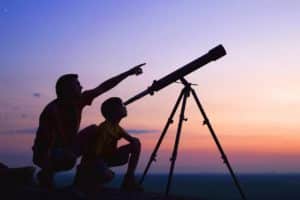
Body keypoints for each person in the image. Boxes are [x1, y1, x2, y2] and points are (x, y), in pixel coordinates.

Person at [32, 64, 144, 189]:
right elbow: (44, 143)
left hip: (67, 148)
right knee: (76, 148)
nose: (81, 87)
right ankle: (49, 175)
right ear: (67, 90)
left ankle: (118, 177)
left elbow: (104, 87)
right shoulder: (51, 111)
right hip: (48, 153)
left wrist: (128, 73)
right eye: (77, 85)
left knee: (92, 131)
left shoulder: (79, 101)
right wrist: (48, 168)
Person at [75, 97, 142, 192]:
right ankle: (87, 179)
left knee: (136, 143)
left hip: (107, 156)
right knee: (107, 175)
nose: (124, 107)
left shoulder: (116, 127)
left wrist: (133, 143)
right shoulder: (104, 128)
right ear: (114, 112)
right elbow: (94, 154)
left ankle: (129, 178)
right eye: (121, 105)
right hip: (96, 159)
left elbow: (133, 141)